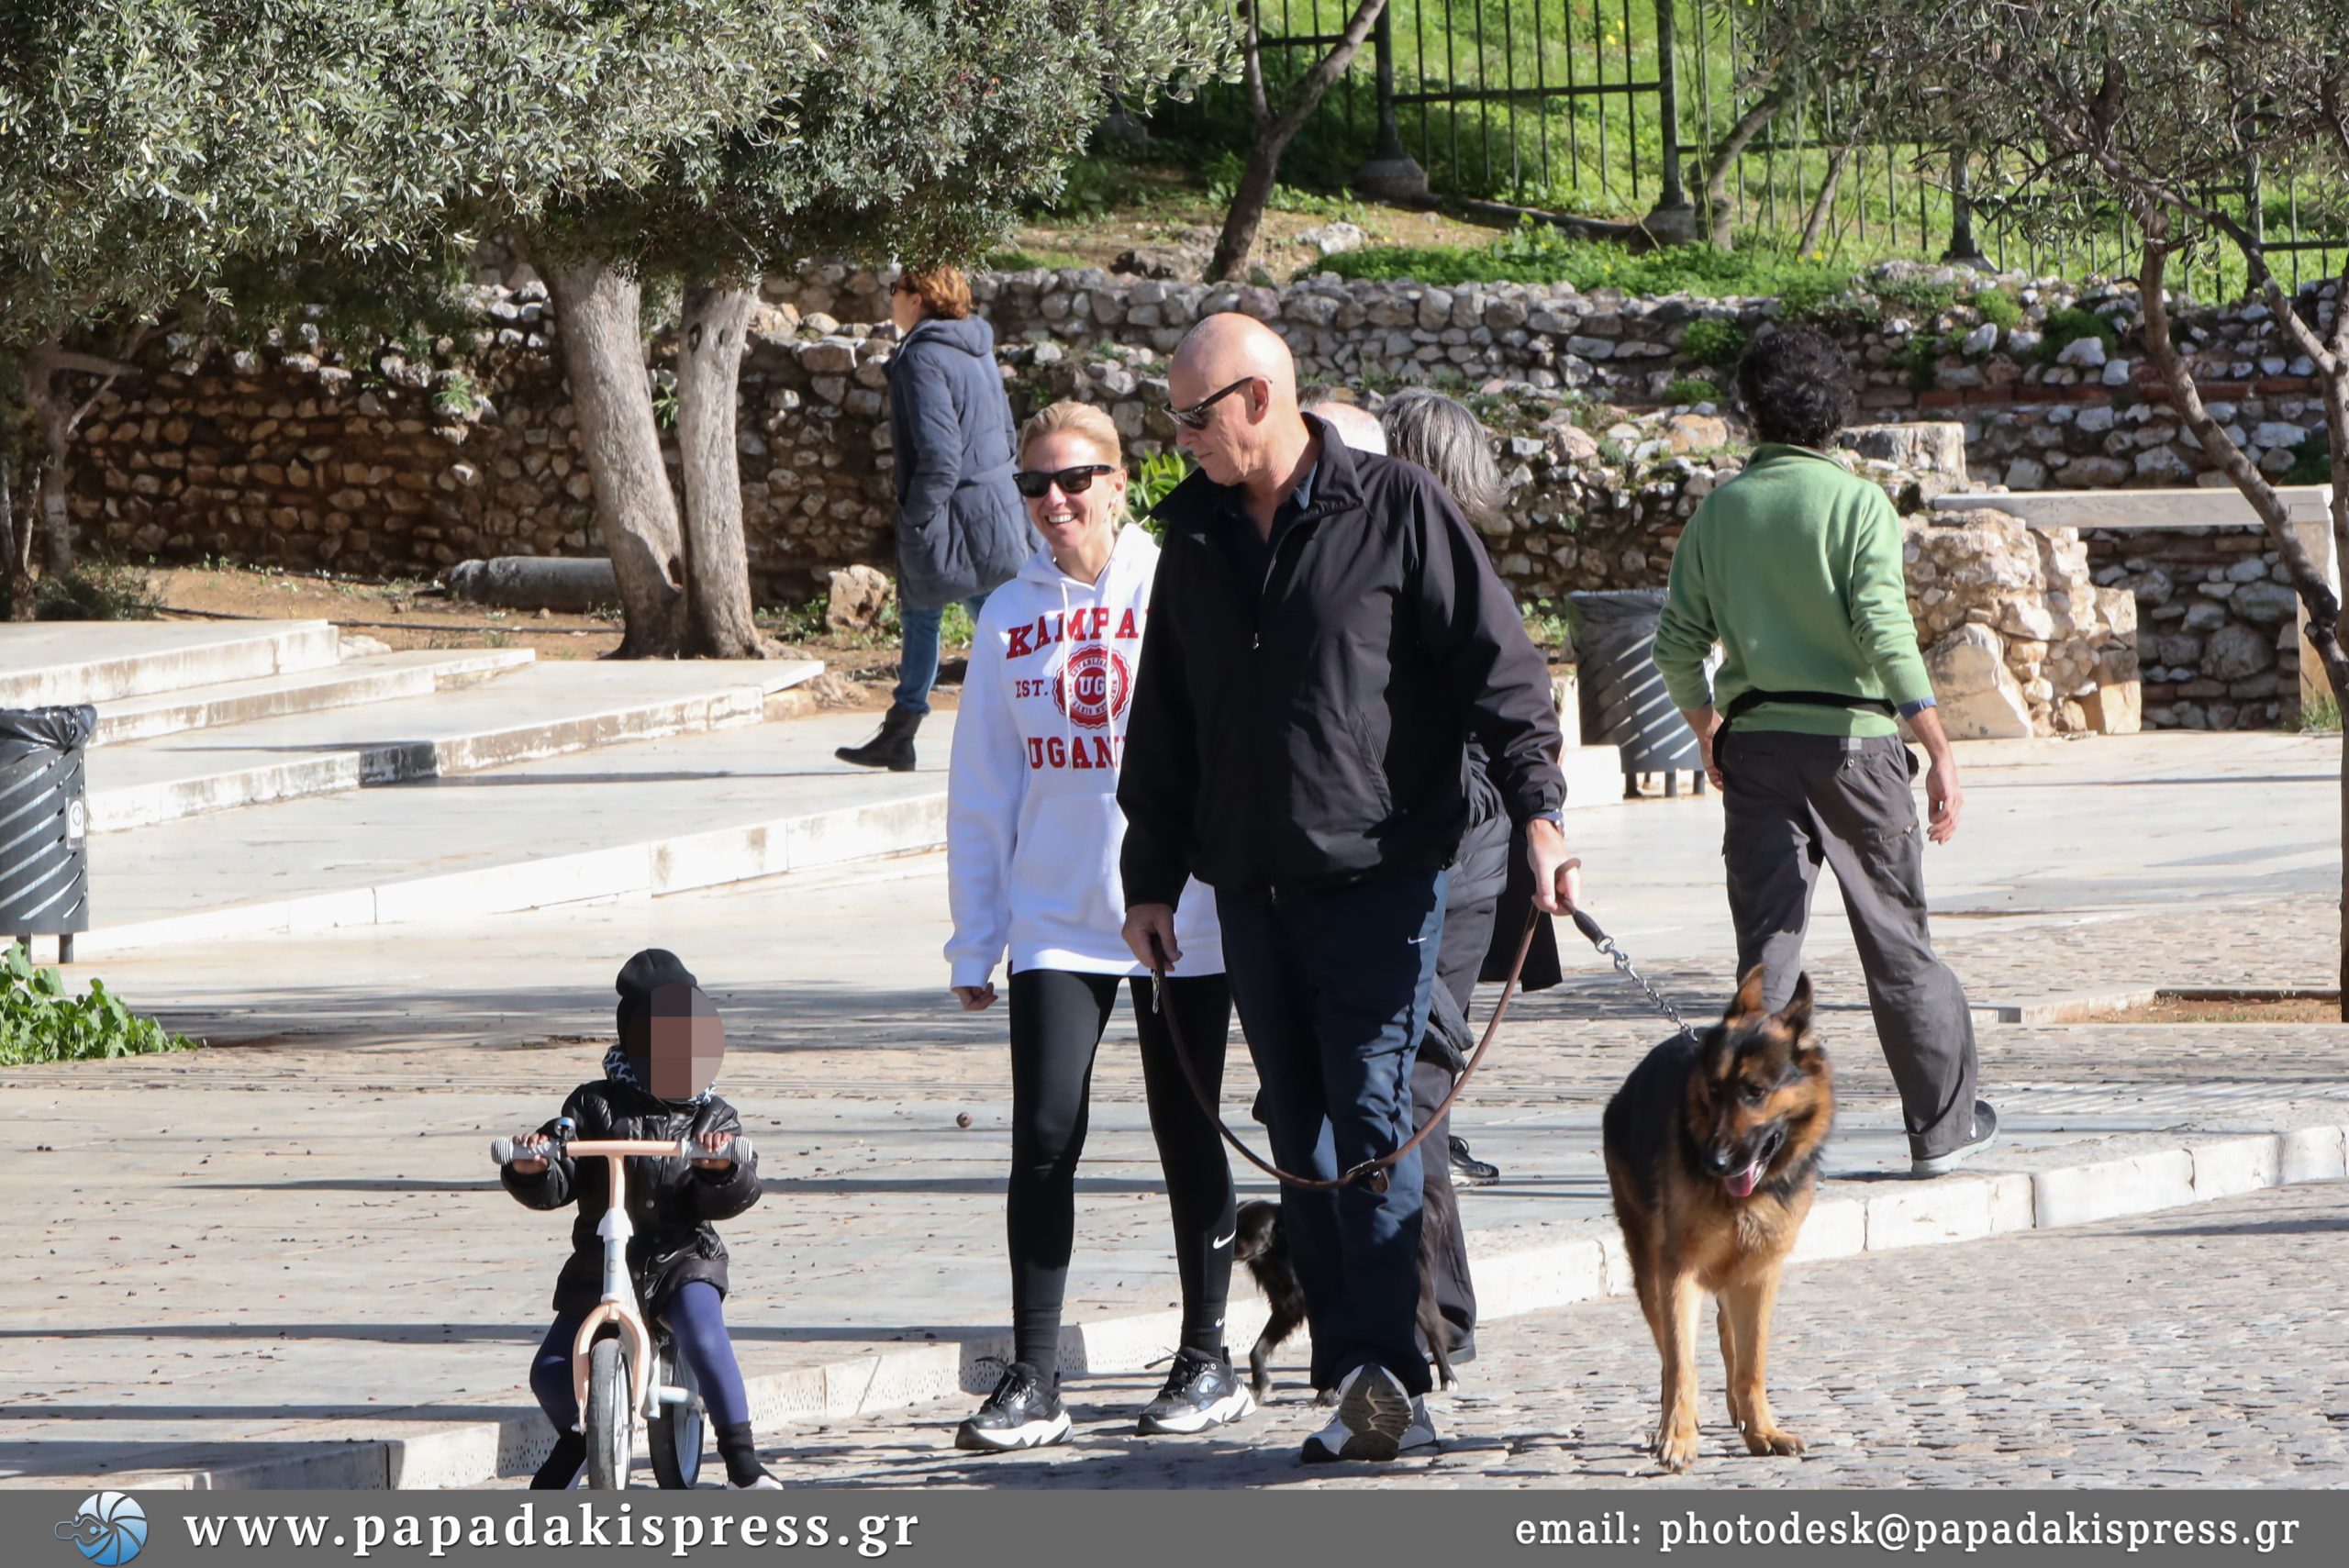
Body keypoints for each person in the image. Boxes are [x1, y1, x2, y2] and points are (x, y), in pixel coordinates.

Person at [1118, 316, 1577, 1464]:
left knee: (1373, 1124)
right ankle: (1361, 1369)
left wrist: (1540, 813)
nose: (1177, 439)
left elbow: (1501, 667)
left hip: (1384, 877)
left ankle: (1384, 1376)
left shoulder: (1396, 507)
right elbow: (1163, 727)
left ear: (1259, 401)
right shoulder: (1196, 542)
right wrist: (1150, 879)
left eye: (1193, 416)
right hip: (1251, 891)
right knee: (1299, 1131)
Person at [943, 399, 1251, 1451]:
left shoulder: (1178, 585)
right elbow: (983, 786)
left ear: (1121, 481)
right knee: (1042, 1137)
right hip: (1055, 916)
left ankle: (1206, 1356)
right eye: (1034, 485)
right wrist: (972, 934)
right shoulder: (1003, 617)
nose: (1055, 501)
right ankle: (1034, 1374)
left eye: (1076, 479)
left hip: (1184, 910)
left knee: (1186, 1129)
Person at [1652, 327, 1998, 1179]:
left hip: (1759, 748)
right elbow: (1884, 631)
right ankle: (1941, 1128)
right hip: (1857, 746)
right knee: (1896, 941)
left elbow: (1674, 645)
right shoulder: (1856, 504)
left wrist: (1708, 730)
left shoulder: (1719, 512)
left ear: (1752, 411)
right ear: (1835, 412)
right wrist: (1939, 745)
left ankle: (1742, 1140)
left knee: (1767, 955)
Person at [502, 949, 779, 1489]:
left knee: (704, 1332)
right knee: (551, 1368)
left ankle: (743, 1458)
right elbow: (559, 1171)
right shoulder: (592, 1105)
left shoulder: (710, 1115)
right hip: (603, 1262)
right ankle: (580, 1439)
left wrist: (721, 1166)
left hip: (681, 1256)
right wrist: (535, 1165)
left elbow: (735, 1191)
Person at [838, 264, 1030, 773]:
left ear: (918, 299)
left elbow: (941, 453)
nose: (891, 300)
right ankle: (900, 730)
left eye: (896, 291)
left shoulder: (922, 357)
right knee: (934, 612)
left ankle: (1047, 715)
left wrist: (917, 515)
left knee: (992, 617)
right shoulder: (976, 346)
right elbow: (1008, 433)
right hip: (992, 505)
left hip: (951, 513)